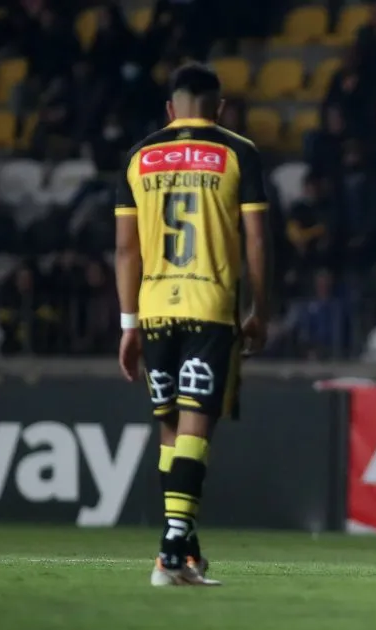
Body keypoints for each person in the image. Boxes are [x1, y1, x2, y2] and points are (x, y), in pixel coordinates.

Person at [114, 62, 270, 587]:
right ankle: (169, 552)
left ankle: (185, 554)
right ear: (218, 108)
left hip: (155, 308)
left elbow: (125, 249)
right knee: (196, 427)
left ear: (170, 109)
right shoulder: (237, 152)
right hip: (209, 306)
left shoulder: (138, 156)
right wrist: (259, 311)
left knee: (170, 431)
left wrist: (128, 323)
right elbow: (256, 241)